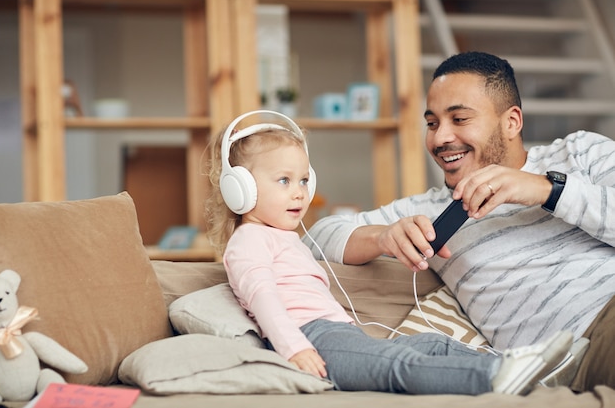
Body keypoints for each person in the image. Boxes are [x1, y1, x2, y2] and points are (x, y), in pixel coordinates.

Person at [302, 51, 615, 392]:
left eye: (460, 119)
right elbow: (315, 240)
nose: (439, 139)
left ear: (511, 122)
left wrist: (547, 190)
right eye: (432, 123)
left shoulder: (580, 153)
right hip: (569, 358)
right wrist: (382, 237)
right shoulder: (431, 210)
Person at [205, 109, 572, 396]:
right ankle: (494, 377)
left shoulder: (286, 238)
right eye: (284, 181)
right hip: (311, 339)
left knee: (432, 343)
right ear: (241, 190)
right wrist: (294, 349)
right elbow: (263, 298)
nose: (299, 192)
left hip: (337, 334)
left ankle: (525, 370)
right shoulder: (248, 241)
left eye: (304, 180)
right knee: (399, 364)